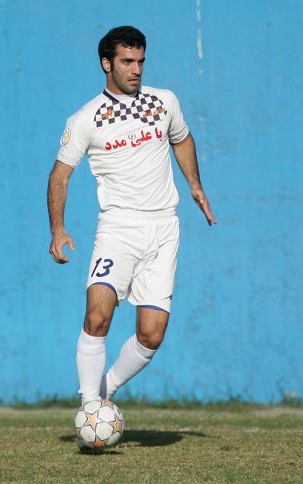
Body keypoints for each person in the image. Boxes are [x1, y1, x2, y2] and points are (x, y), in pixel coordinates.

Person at [46, 26, 216, 407]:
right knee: (97, 315)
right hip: (119, 228)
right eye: (127, 61)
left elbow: (181, 138)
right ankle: (91, 408)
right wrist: (58, 229)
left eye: (140, 61)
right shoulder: (86, 119)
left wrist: (195, 185)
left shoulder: (164, 101)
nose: (136, 69)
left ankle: (105, 390)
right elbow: (59, 175)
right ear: (106, 64)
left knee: (152, 335)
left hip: (163, 228)